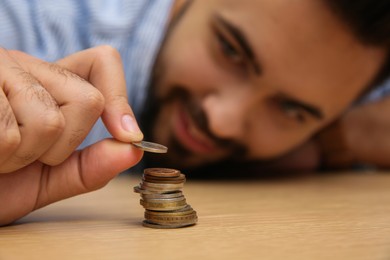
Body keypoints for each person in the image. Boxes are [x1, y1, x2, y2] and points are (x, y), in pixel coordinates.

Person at [1, 0, 390, 225]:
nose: (221, 120)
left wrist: (341, 139)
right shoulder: (27, 22)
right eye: (231, 50)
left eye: (292, 110)